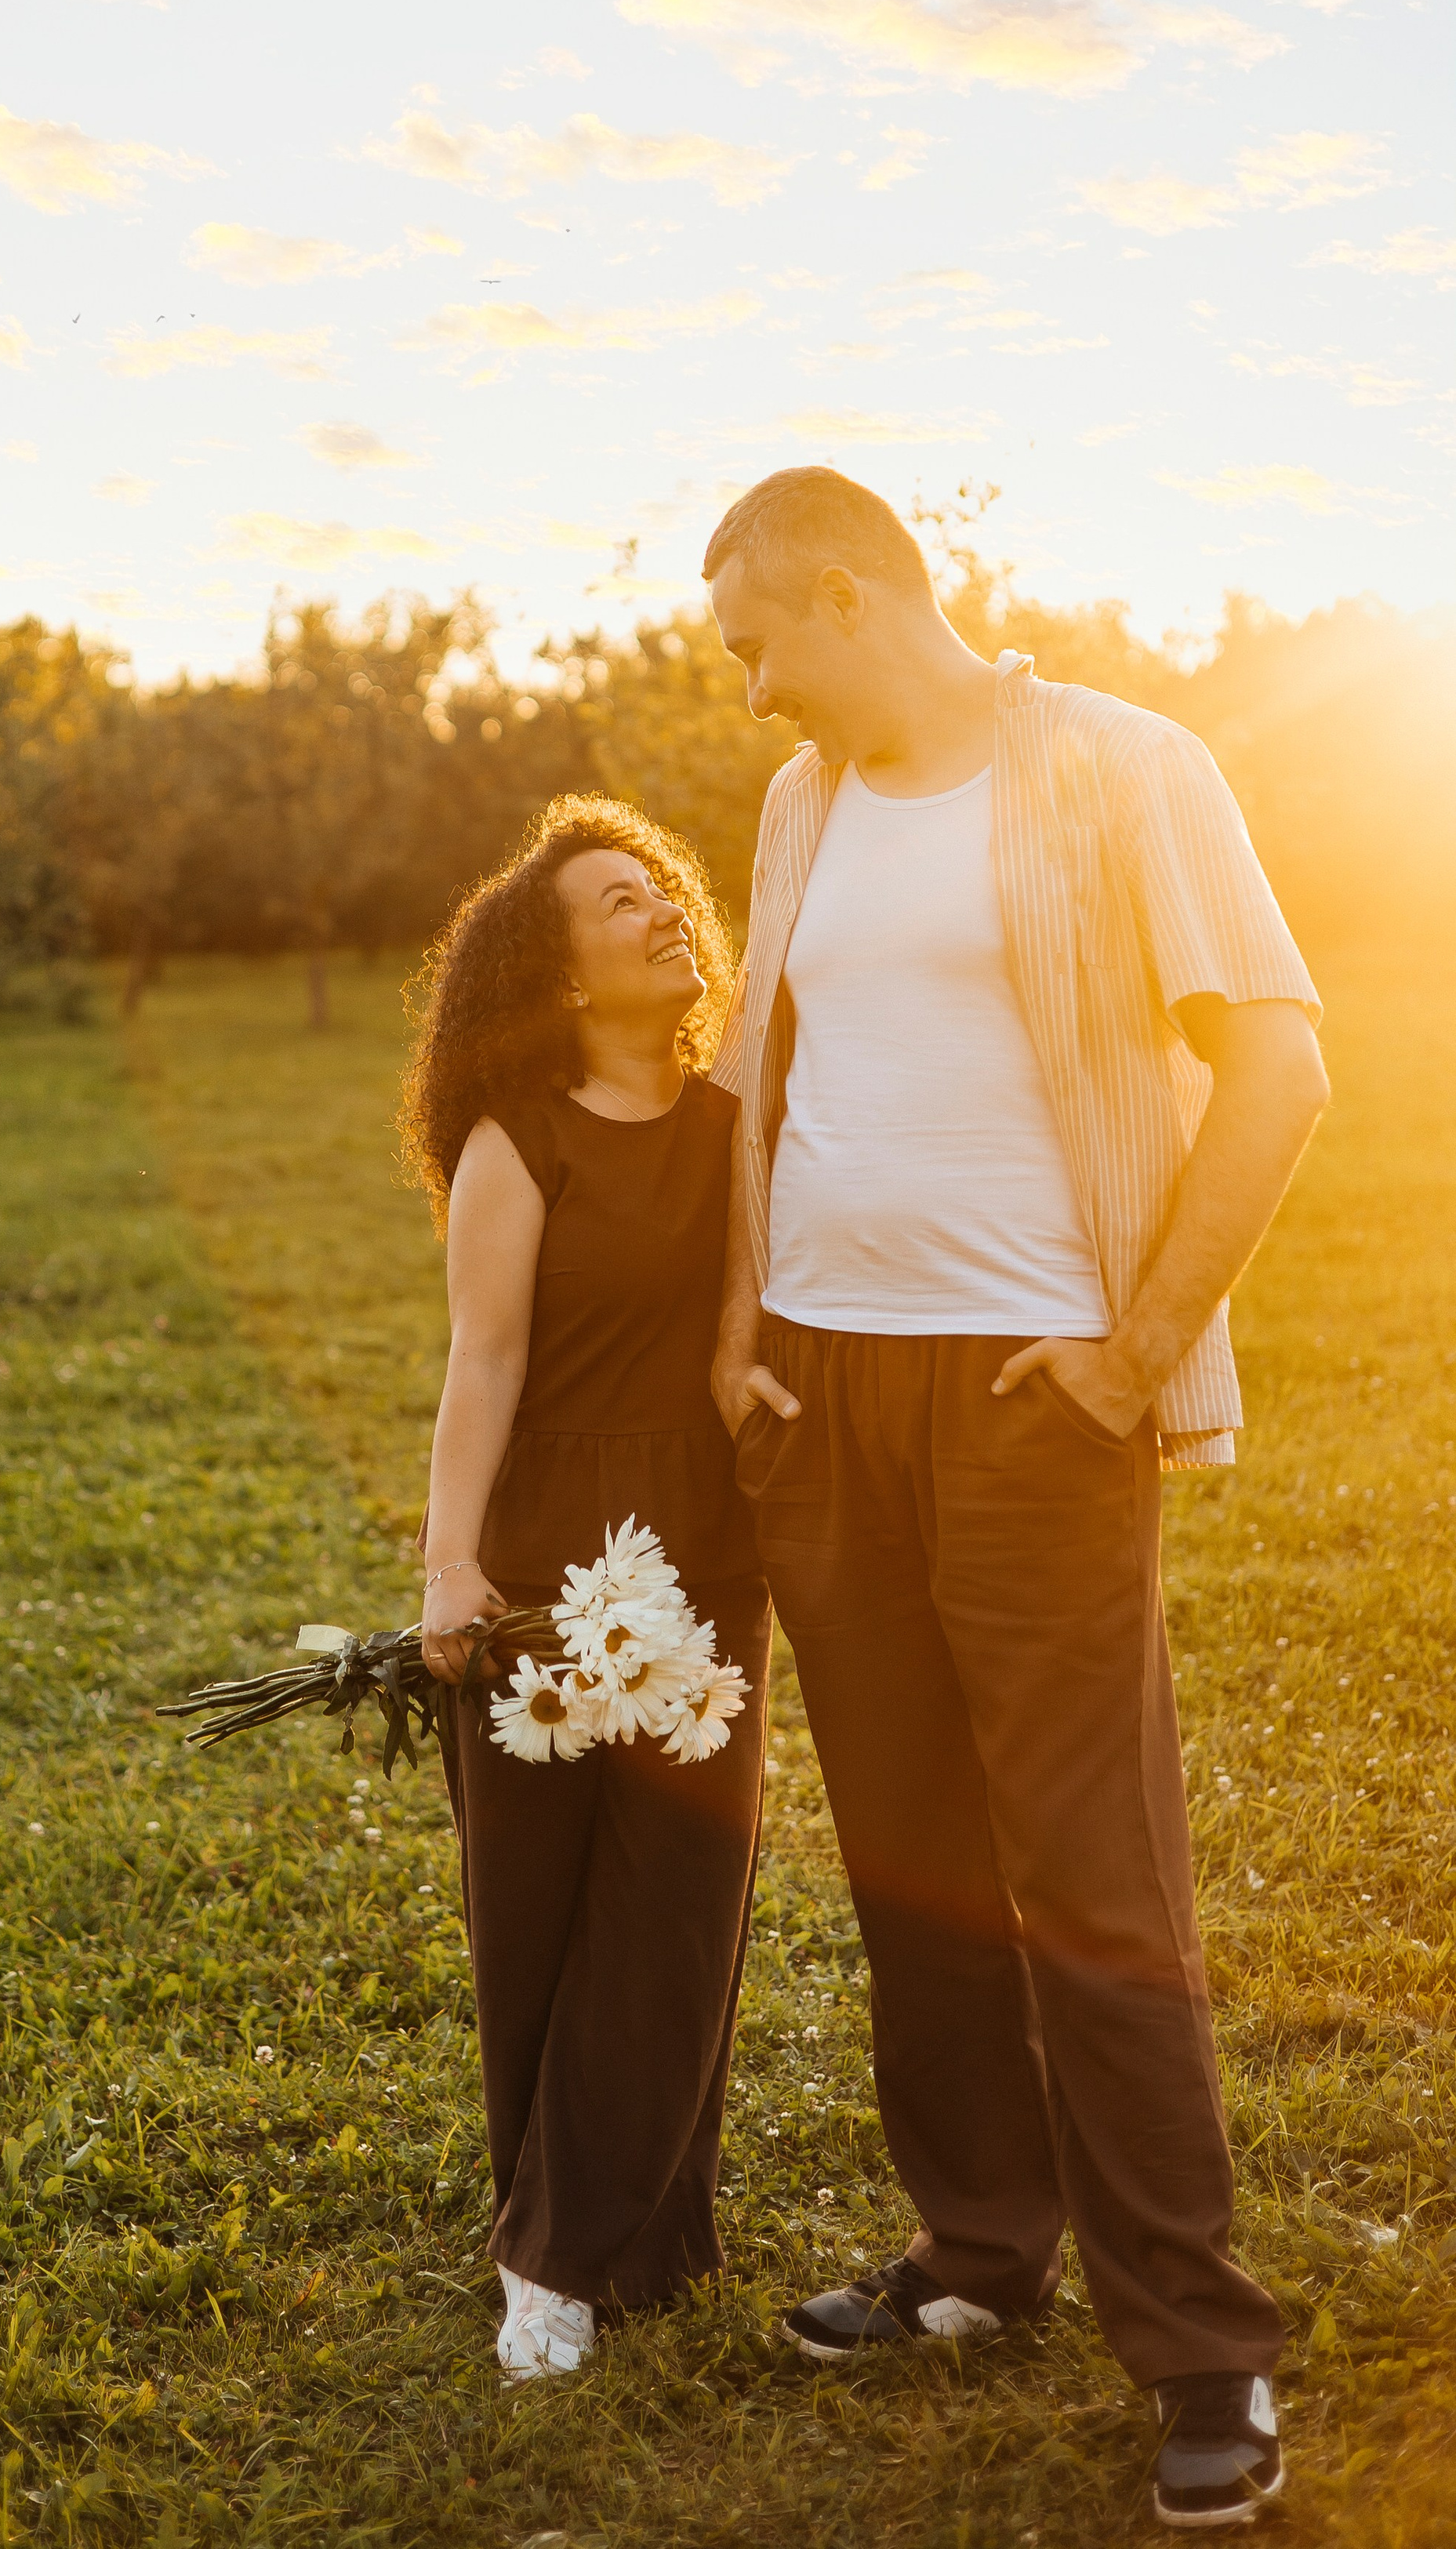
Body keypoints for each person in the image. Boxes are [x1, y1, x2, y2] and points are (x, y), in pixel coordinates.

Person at [704, 467, 1327, 2533]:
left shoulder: (1124, 769)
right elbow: (758, 1092)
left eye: (757, 647)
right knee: (916, 1866)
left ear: (853, 594)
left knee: (1093, 1883)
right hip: (826, 1392)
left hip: (1031, 1394)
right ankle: (980, 2251)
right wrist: (737, 1326)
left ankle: (1204, 2346)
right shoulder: (801, 807)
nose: (747, 692)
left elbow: (1283, 1070)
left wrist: (1137, 1355)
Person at [399, 794, 770, 2382]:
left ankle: (602, 2242)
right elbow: (478, 1363)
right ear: (559, 979)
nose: (659, 913)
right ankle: (550, 2242)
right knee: (537, 1912)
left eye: (664, 889)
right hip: (545, 1550)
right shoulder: (519, 1138)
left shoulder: (731, 1126)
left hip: (697, 1541)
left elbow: (734, 1347)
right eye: (618, 904)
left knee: (675, 1910)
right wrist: (449, 1566)